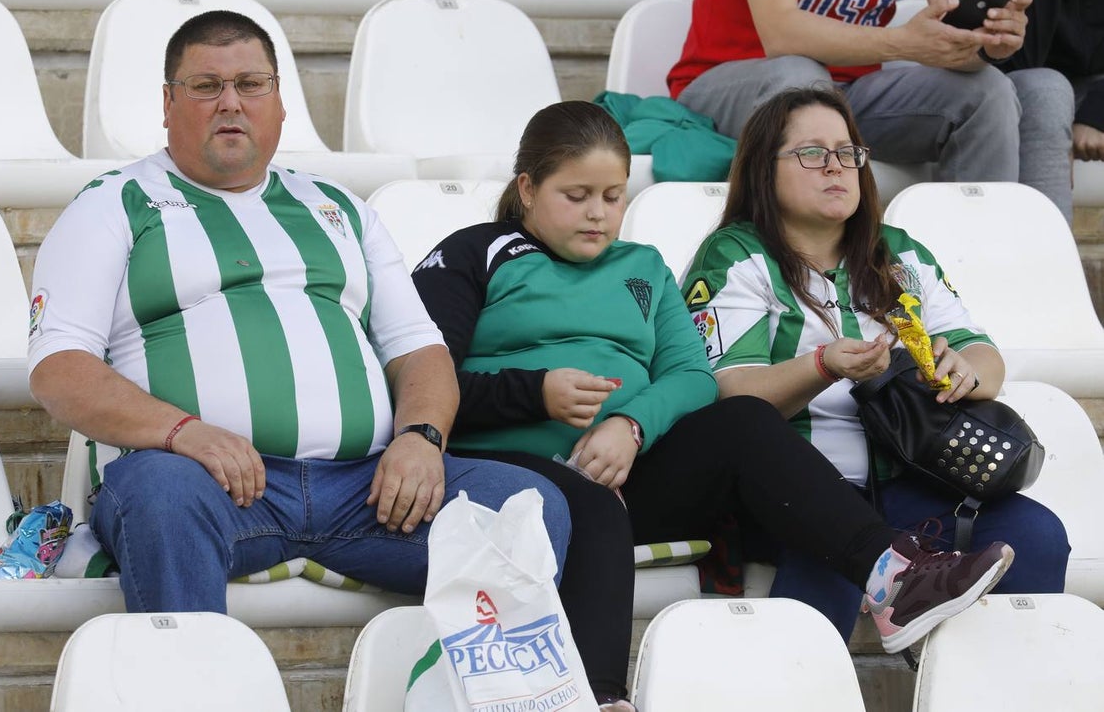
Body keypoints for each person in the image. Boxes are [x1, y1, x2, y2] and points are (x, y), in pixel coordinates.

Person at [412, 100, 1017, 707]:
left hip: (627, 472)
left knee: (742, 422)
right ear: (527, 188)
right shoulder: (472, 254)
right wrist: (535, 392)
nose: (598, 213)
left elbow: (693, 376)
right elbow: (423, 380)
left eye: (614, 196)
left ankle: (894, 578)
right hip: (503, 474)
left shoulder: (641, 265)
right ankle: (604, 698)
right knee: (593, 505)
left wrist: (631, 425)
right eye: (577, 196)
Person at [25, 10, 572, 614]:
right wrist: (184, 433)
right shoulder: (114, 203)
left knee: (526, 507)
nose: (230, 103)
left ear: (280, 101)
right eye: (206, 86)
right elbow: (59, 368)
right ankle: (186, 668)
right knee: (160, 495)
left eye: (251, 84)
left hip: (366, 492)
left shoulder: (339, 208)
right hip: (204, 483)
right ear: (167, 103)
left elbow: (418, 349)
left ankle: (462, 676)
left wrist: (421, 438)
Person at [681, 86, 1070, 643]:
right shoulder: (736, 255)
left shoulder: (899, 251)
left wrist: (963, 370)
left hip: (908, 478)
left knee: (1036, 534)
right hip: (794, 494)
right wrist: (823, 365)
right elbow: (732, 397)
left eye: (848, 152)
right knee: (832, 561)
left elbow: (985, 357)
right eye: (812, 153)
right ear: (764, 169)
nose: (836, 166)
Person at [668, 0, 1075, 220]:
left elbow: (954, 33)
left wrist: (989, 41)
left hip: (846, 93)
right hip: (726, 84)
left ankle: (977, 273)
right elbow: (781, 33)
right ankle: (799, 276)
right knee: (799, 79)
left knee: (988, 89)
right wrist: (902, 43)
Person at [976, 0, 1104, 198]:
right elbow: (1002, 49)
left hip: (1093, 84)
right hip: (1024, 80)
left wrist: (1097, 111)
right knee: (1046, 93)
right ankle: (1043, 223)